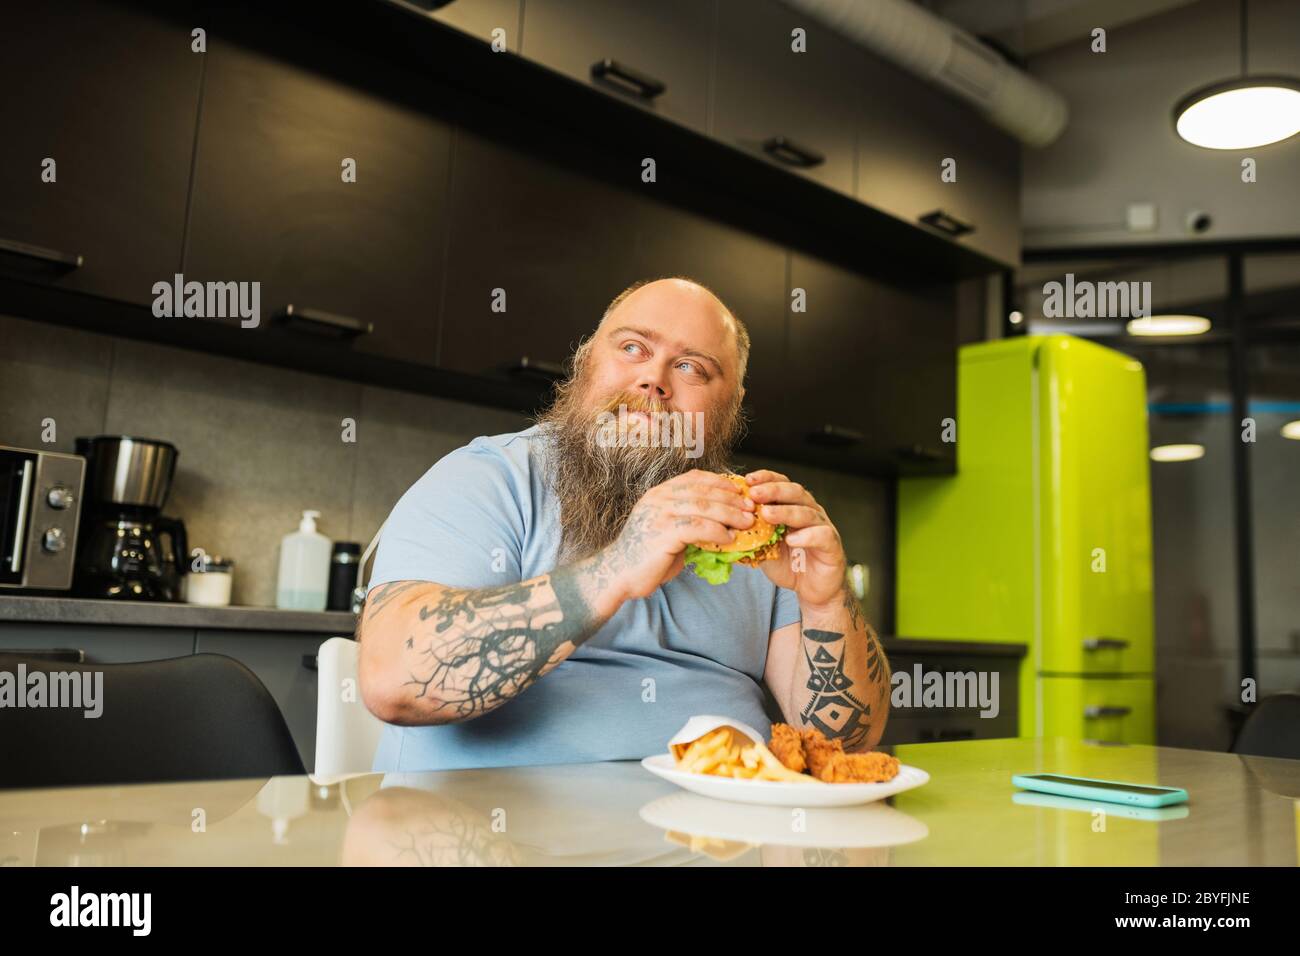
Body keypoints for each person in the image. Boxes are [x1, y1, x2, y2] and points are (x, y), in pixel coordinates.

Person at [357, 276, 891, 770]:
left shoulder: (758, 527)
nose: (653, 379)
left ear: (733, 404)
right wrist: (614, 570)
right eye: (633, 347)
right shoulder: (488, 479)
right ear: (586, 360)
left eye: (692, 367)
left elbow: (844, 746)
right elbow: (393, 680)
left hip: (720, 839)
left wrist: (826, 601)